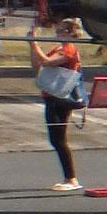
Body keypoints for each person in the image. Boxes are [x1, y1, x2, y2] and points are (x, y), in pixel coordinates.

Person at [28, 16, 87, 190]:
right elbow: (38, 64)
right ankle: (69, 177)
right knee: (55, 138)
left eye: (60, 29)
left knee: (59, 139)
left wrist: (34, 43)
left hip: (60, 97)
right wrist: (32, 46)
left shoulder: (69, 50)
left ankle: (71, 179)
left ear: (68, 33)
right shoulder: (58, 48)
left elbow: (47, 62)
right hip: (51, 95)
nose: (57, 32)